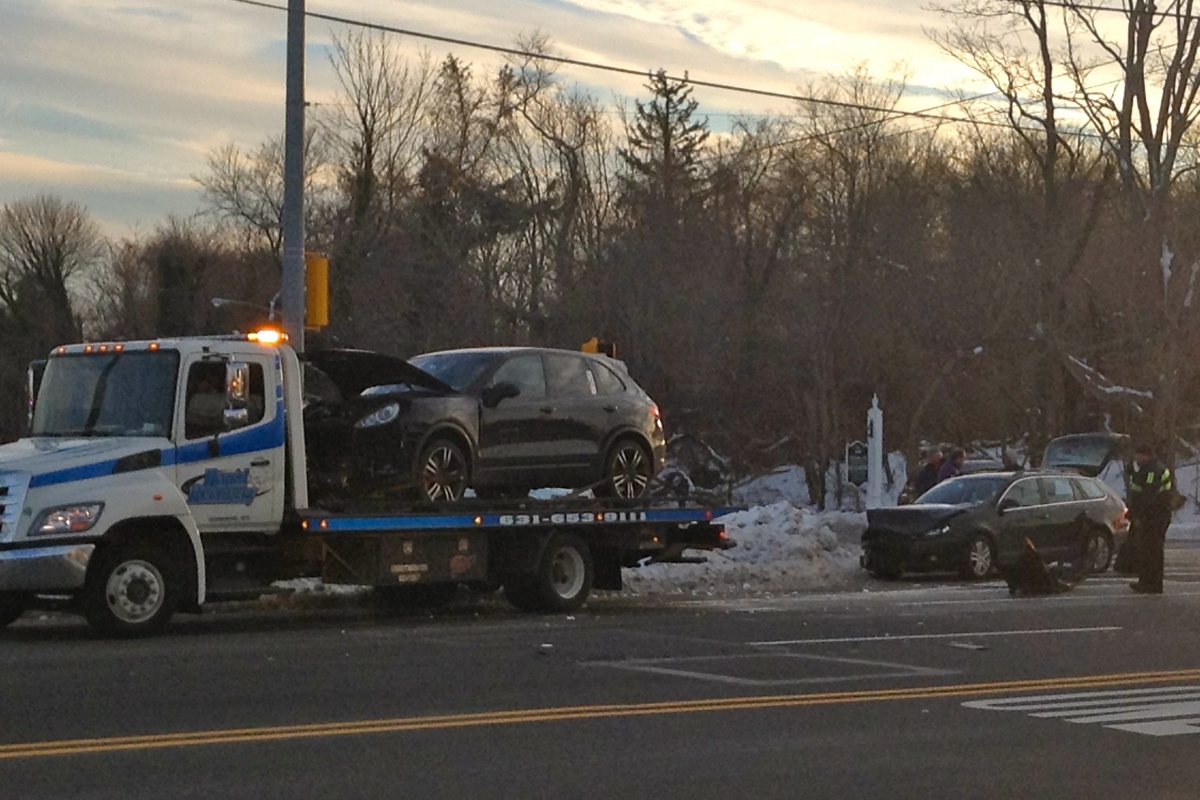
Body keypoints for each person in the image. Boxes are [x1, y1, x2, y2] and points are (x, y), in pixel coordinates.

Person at [1128, 444, 1174, 595]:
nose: (1136, 458)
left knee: (1151, 550)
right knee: (1148, 550)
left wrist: (1139, 515)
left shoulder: (1153, 471)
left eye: (1138, 455)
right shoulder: (1148, 469)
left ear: (1145, 455)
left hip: (1154, 517)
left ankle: (1152, 584)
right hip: (1154, 516)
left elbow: (1148, 497)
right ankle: (1146, 581)